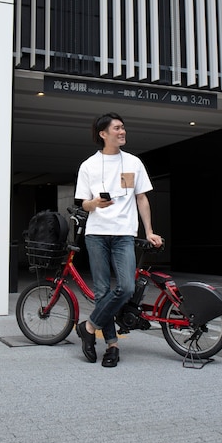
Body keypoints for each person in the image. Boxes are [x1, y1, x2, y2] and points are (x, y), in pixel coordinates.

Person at [75, 112, 163, 367]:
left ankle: (89, 328)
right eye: (117, 128)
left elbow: (142, 198)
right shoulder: (88, 165)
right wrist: (96, 203)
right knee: (102, 291)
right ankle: (112, 346)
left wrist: (149, 231)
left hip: (124, 234)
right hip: (97, 235)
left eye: (123, 128)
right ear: (103, 134)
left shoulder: (133, 163)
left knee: (125, 287)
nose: (122, 132)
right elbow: (84, 203)